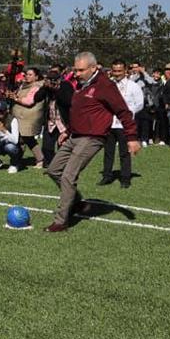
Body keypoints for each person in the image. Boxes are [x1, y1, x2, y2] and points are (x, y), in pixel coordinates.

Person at [44, 52, 139, 233]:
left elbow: (123, 111)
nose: (76, 74)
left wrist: (132, 137)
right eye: (75, 70)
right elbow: (80, 112)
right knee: (53, 170)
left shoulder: (105, 86)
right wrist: (68, 131)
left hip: (93, 137)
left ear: (94, 68)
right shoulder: (81, 85)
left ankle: (61, 220)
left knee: (68, 176)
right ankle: (78, 202)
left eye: (80, 70)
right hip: (75, 135)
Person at [97, 61, 144, 189]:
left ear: (125, 71)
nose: (117, 74)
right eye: (115, 71)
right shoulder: (108, 85)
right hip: (109, 123)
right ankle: (107, 176)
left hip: (124, 125)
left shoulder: (133, 86)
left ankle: (125, 178)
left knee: (125, 152)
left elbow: (139, 104)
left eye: (119, 71)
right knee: (108, 152)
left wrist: (127, 113)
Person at [9, 67, 46, 167]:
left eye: (30, 75)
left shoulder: (37, 87)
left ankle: (40, 159)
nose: (27, 76)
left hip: (28, 117)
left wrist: (15, 98)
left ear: (36, 77)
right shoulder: (23, 85)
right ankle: (18, 160)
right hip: (20, 116)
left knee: (27, 139)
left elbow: (29, 101)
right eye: (26, 74)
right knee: (21, 139)